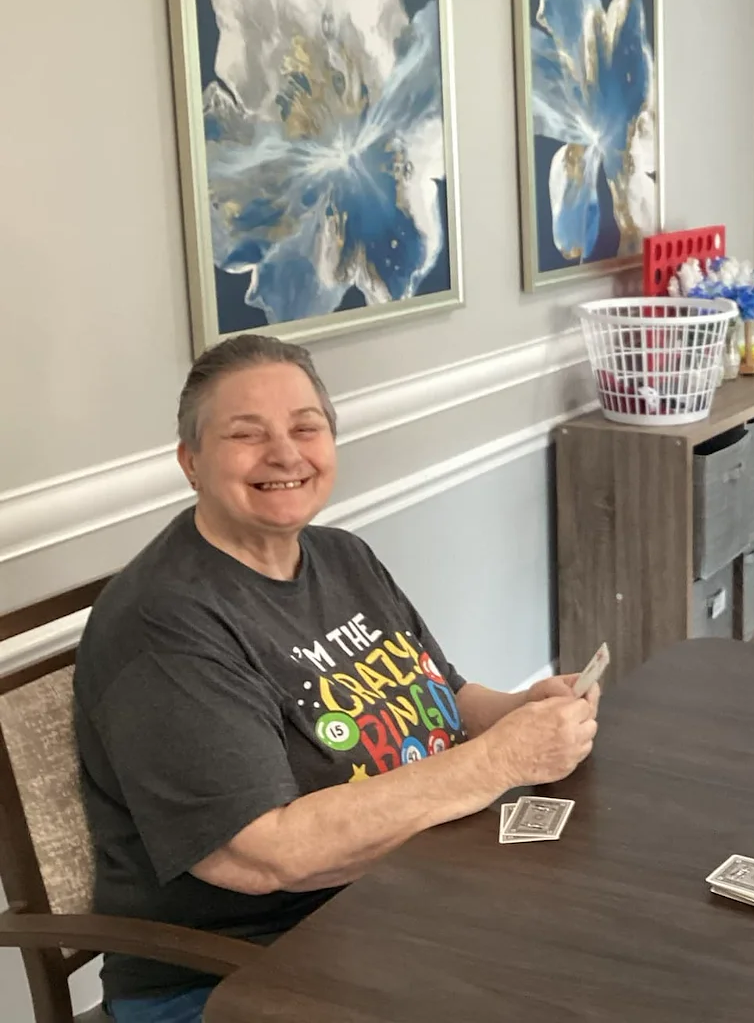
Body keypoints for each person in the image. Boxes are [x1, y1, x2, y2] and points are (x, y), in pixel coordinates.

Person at [75, 336, 601, 1023]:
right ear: (191, 463)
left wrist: (519, 710)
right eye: (246, 434)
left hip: (392, 901)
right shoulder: (165, 624)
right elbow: (265, 854)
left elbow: (442, 696)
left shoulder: (341, 556)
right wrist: (501, 760)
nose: (285, 454)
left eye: (305, 427)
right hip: (233, 973)